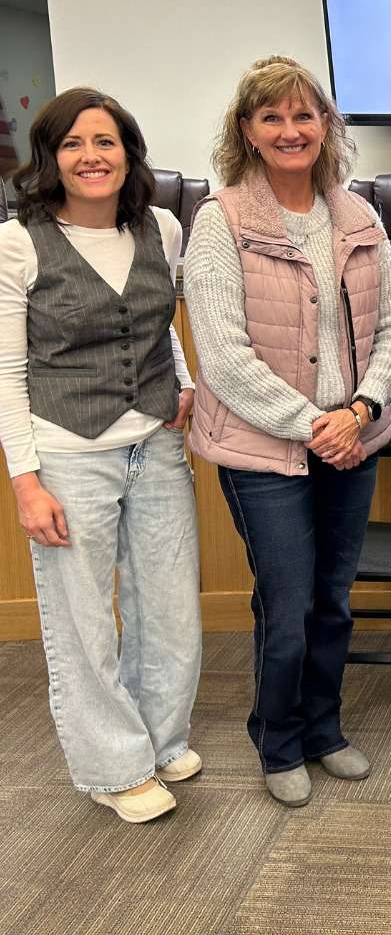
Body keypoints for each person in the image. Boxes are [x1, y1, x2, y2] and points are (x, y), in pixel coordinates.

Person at [184, 56, 391, 807]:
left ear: (326, 127)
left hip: (352, 442)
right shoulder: (221, 222)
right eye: (272, 117)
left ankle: (323, 729)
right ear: (247, 130)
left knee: (334, 600)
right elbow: (221, 355)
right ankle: (277, 740)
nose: (291, 130)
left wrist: (363, 411)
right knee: (286, 606)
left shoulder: (358, 216)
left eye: (304, 116)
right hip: (263, 451)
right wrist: (318, 424)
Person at [0, 88, 202, 823]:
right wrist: (25, 481)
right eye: (74, 144)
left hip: (151, 439)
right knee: (83, 618)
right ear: (49, 158)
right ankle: (114, 767)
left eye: (106, 142)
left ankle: (158, 737)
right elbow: (6, 371)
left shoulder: (165, 228)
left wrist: (180, 382)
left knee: (171, 607)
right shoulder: (18, 242)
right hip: (67, 449)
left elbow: (159, 323)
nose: (92, 157)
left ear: (129, 153)